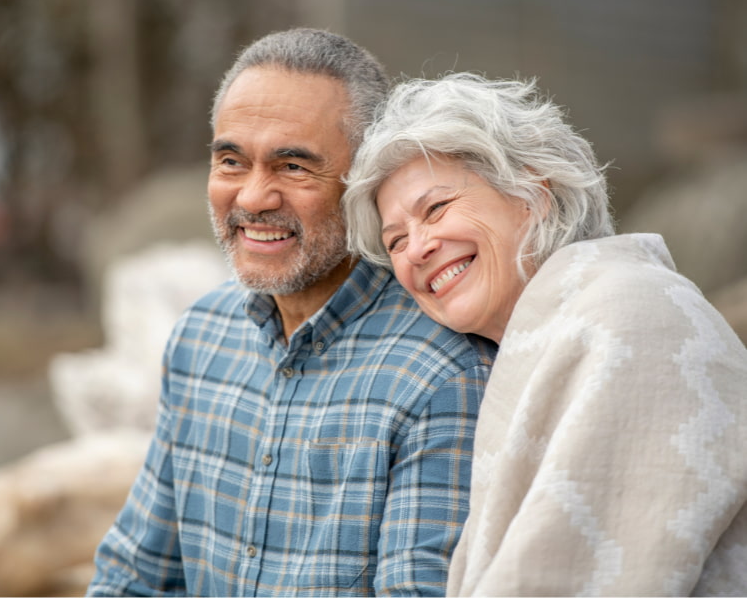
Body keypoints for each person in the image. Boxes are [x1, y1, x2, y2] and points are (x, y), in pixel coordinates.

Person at [87, 30, 497, 597]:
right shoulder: (201, 335)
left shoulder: (442, 372)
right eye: (231, 160)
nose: (253, 198)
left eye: (293, 167)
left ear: (367, 182)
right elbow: (135, 576)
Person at [343, 71, 747, 596]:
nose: (416, 248)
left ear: (534, 193)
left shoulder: (630, 315)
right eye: (395, 240)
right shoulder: (543, 332)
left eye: (437, 208)